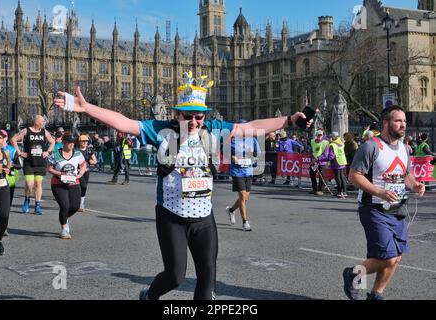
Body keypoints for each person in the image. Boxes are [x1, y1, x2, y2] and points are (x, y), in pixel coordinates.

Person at [53, 72, 311, 300]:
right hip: (172, 216)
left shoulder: (214, 130)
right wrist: (87, 108)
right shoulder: (163, 131)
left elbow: (251, 128)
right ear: (177, 115)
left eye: (199, 116)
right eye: (188, 116)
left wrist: (288, 120)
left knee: (207, 277)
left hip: (203, 216)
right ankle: (150, 294)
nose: (195, 121)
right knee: (175, 276)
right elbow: (124, 122)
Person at [344, 106, 425, 300]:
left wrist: (415, 185)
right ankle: (353, 273)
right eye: (398, 121)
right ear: (386, 123)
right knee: (387, 257)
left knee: (396, 257)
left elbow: (406, 175)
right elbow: (354, 176)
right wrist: (380, 191)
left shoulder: (405, 148)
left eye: (404, 121)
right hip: (373, 208)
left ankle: (376, 294)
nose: (403, 124)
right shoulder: (371, 146)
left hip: (398, 209)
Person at [11, 115, 55, 215]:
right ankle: (26, 200)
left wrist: (48, 152)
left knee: (38, 184)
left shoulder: (44, 132)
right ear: (36, 122)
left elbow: (52, 142)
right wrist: (19, 152)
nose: (44, 123)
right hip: (29, 162)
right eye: (43, 121)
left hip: (40, 162)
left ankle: (37, 206)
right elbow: (13, 140)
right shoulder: (26, 131)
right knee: (30, 184)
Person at [47, 132, 86, 239]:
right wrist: (61, 174)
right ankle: (64, 229)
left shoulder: (78, 154)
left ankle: (64, 217)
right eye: (70, 143)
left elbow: (83, 164)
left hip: (74, 183)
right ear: (64, 142)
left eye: (74, 143)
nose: (72, 145)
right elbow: (49, 168)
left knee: (75, 207)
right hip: (58, 184)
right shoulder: (55, 154)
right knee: (65, 206)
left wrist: (80, 174)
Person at [226, 131, 260, 231]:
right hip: (237, 172)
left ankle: (231, 210)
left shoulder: (253, 140)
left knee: (245, 198)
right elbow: (225, 152)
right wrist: (232, 157)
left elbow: (258, 154)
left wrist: (253, 153)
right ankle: (245, 222)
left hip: (248, 171)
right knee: (242, 195)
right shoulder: (232, 140)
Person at [0, 130, 22, 236]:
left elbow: (19, 165)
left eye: (2, 137)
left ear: (6, 138)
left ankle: (2, 223)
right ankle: (2, 224)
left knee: (6, 207)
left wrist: (10, 166)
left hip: (9, 181)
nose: (0, 139)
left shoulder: (12, 150)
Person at [77, 134, 97, 211]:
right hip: (78, 172)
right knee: (83, 186)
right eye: (83, 141)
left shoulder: (89, 150)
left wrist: (92, 161)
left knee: (84, 188)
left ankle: (81, 203)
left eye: (86, 141)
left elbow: (95, 160)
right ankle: (79, 203)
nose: (85, 142)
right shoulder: (76, 151)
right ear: (79, 142)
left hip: (86, 171)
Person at [325, 132, 348, 198]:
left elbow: (331, 156)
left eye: (331, 137)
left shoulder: (332, 145)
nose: (330, 138)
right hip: (342, 161)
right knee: (342, 177)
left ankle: (340, 192)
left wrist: (326, 159)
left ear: (333, 137)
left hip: (336, 162)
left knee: (338, 178)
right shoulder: (341, 143)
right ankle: (344, 191)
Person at [310, 130, 329, 196]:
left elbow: (326, 155)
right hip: (313, 162)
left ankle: (321, 190)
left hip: (321, 162)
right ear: (316, 135)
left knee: (321, 177)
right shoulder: (312, 141)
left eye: (320, 135)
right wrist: (312, 159)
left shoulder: (325, 143)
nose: (319, 136)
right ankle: (314, 189)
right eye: (318, 135)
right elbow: (311, 151)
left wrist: (318, 158)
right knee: (312, 175)